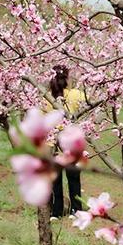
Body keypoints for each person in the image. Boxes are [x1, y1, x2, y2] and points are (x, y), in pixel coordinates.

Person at [47, 65, 86, 220]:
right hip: (72, 141)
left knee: (55, 180)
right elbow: (86, 110)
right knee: (74, 179)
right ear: (67, 78)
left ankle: (56, 212)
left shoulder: (47, 97)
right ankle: (76, 211)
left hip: (52, 142)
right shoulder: (77, 94)